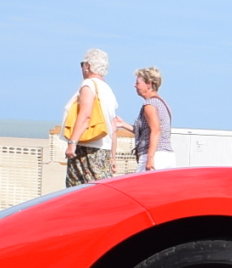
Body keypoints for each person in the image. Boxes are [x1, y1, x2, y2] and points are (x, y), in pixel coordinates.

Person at [62, 48, 120, 185]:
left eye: (82, 64)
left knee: (77, 193)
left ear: (88, 66)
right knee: (99, 192)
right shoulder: (107, 89)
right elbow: (113, 127)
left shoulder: (88, 85)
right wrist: (113, 156)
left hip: (86, 148)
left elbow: (85, 115)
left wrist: (72, 143)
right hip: (103, 149)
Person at [131, 66, 174, 173]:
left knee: (141, 188)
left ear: (148, 84)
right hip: (167, 155)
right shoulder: (162, 103)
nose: (135, 86)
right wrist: (122, 124)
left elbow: (156, 130)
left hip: (154, 154)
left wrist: (150, 158)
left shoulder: (149, 104)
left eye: (138, 83)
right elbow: (147, 130)